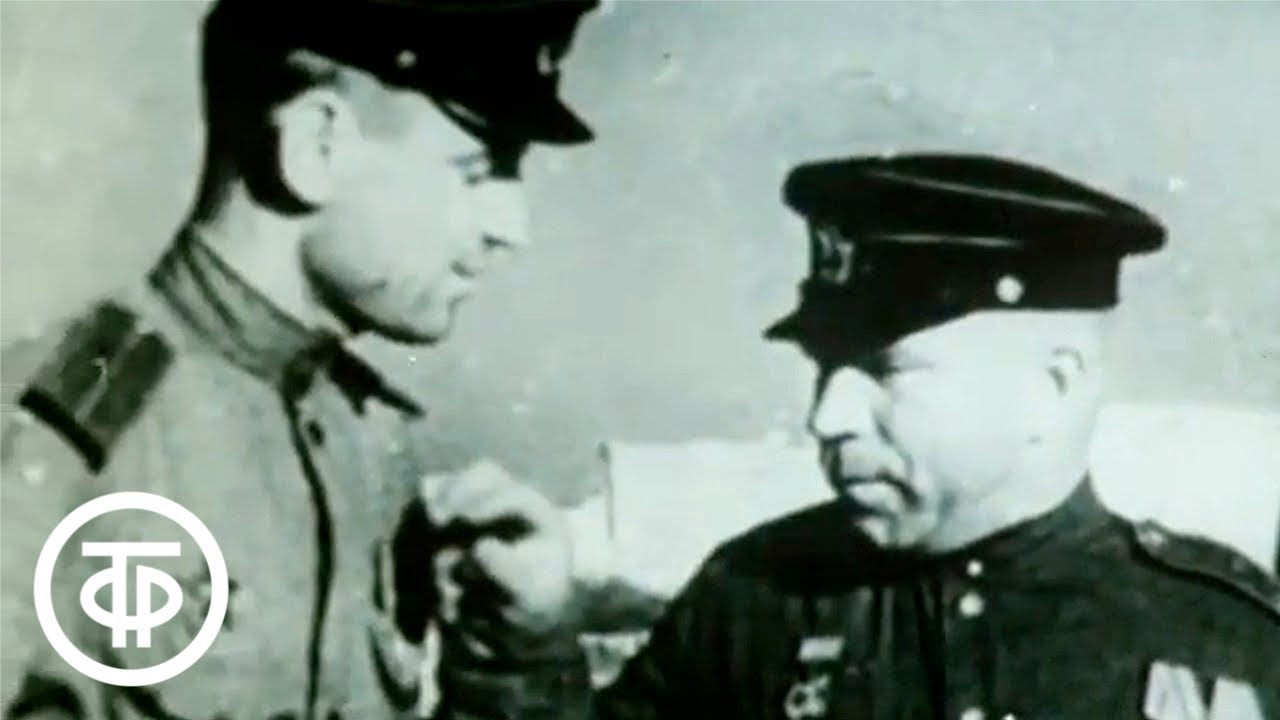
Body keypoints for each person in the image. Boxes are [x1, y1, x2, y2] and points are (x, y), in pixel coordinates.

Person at [424, 153, 1280, 719]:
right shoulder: (752, 601)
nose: (826, 416)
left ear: (1050, 386)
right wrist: (525, 644)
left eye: (885, 368)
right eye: (825, 367)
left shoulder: (1224, 632)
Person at [0, 2, 599, 720]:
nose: (512, 227)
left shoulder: (372, 447)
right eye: (477, 172)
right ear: (316, 148)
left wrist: (518, 653)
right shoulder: (52, 432)